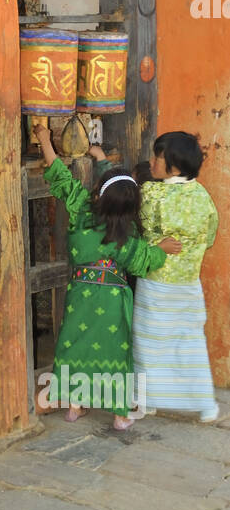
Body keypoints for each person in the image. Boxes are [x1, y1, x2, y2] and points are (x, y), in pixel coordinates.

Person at [35, 126, 180, 430]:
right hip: (112, 301)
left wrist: (45, 140)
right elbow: (144, 261)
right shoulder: (126, 235)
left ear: (99, 194)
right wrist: (162, 249)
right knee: (116, 353)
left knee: (75, 345)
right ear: (131, 207)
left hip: (80, 297)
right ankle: (120, 414)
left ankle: (74, 406)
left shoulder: (82, 209)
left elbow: (61, 176)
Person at [133, 131, 220, 423]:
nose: (152, 161)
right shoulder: (203, 196)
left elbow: (144, 236)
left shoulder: (151, 194)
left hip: (156, 285)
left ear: (174, 166)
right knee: (189, 343)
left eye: (158, 157)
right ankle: (206, 405)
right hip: (188, 286)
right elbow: (209, 237)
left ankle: (148, 400)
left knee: (149, 344)